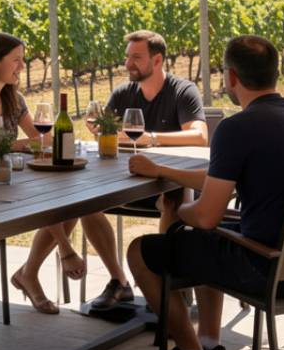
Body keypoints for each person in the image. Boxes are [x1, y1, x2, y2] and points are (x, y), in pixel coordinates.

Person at [126, 35, 284, 350]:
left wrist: (179, 211)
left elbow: (206, 215)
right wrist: (163, 171)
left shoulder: (237, 128)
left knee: (143, 251)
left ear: (232, 77)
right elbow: (220, 176)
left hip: (268, 268)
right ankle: (211, 346)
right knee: (209, 239)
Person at [27, 29, 208, 311]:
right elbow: (106, 132)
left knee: (174, 198)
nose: (128, 64)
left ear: (157, 60)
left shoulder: (182, 91)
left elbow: (199, 136)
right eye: (127, 57)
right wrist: (100, 129)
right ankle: (119, 282)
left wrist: (152, 138)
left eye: (136, 57)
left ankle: (168, 286)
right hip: (126, 181)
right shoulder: (123, 93)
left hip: (167, 182)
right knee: (87, 200)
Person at [0, 32, 85, 315]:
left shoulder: (13, 98)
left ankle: (27, 273)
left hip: (1, 179)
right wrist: (26, 144)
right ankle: (63, 251)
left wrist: (41, 144)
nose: (22, 67)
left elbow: (39, 139)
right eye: (16, 60)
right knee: (36, 201)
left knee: (67, 203)